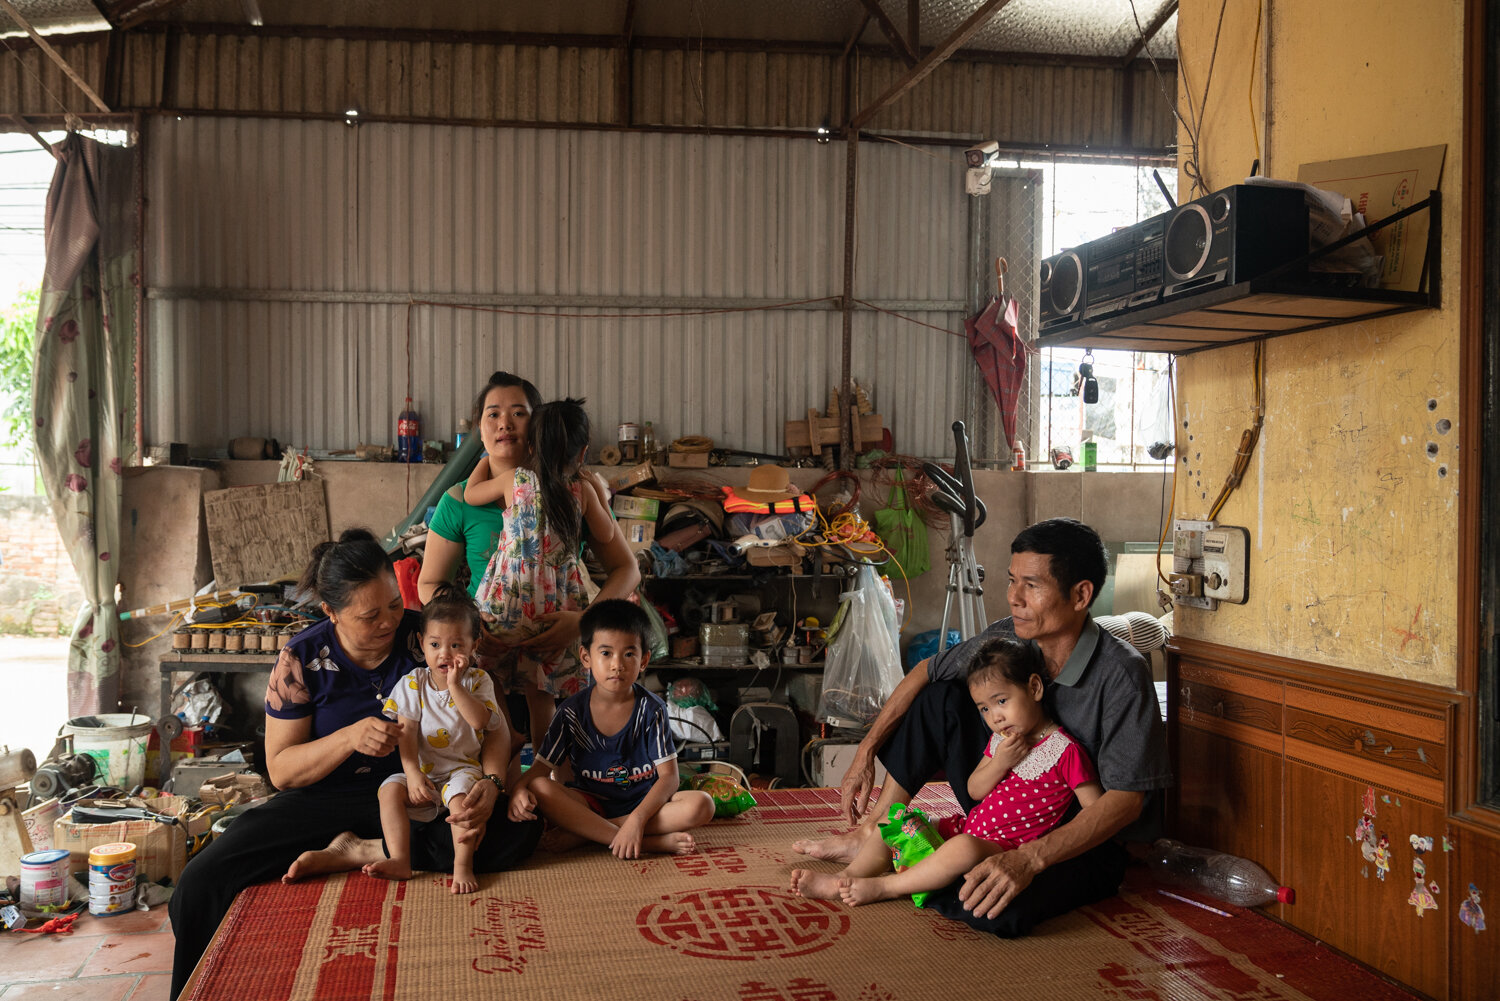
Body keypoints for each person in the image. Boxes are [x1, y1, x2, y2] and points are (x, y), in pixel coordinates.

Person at [168, 530, 541, 999]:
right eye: (370, 615)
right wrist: (347, 737)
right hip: (325, 798)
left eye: (392, 604)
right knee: (202, 881)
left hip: (420, 788)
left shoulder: (429, 636)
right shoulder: (300, 658)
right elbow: (281, 771)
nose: (389, 621)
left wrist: (491, 780)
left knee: (515, 831)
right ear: (332, 612)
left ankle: (366, 848)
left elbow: (492, 725)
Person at [792, 517, 1170, 936]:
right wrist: (864, 754)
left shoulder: (1121, 674)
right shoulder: (1010, 637)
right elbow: (924, 671)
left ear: (1080, 594)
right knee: (939, 696)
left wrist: (1028, 859)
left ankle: (917, 868)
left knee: (995, 911)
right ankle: (874, 831)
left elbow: (1124, 802)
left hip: (1075, 834)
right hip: (1000, 806)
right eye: (1012, 581)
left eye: (1032, 585)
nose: (1013, 598)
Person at [790, 636, 1102, 907]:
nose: (995, 717)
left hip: (1002, 849)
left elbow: (1094, 814)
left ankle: (884, 887)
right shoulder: (1000, 741)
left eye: (1002, 701)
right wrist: (1000, 763)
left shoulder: (1065, 751)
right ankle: (846, 878)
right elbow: (975, 790)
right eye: (984, 709)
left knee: (963, 849)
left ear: (1034, 688)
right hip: (970, 828)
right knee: (897, 820)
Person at [418, 372, 638, 745]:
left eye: (518, 413)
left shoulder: (574, 491)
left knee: (553, 730)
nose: (504, 423)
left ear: (538, 427)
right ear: (479, 429)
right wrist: (467, 631)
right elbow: (429, 584)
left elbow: (626, 569)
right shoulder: (458, 501)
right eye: (492, 414)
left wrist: (583, 623)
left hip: (557, 646)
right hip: (482, 656)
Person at [506, 599, 715, 857]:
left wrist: (637, 820)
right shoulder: (571, 712)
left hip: (644, 805)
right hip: (590, 805)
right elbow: (540, 770)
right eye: (606, 653)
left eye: (629, 654)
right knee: (539, 786)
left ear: (644, 659)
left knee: (702, 805)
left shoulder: (652, 709)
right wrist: (517, 789)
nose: (617, 664)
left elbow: (669, 778)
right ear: (586, 657)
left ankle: (587, 834)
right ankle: (647, 842)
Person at [467, 397, 615, 739]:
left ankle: (505, 735)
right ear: (583, 453)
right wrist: (599, 493)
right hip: (553, 609)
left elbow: (471, 494)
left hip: (507, 601)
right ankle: (544, 760)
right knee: (541, 690)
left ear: (530, 445)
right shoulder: (583, 489)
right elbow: (606, 533)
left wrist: (488, 457)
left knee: (488, 673)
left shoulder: (515, 480)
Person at [364, 584, 505, 894]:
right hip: (425, 774)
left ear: (473, 645)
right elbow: (407, 735)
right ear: (421, 643)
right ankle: (401, 858)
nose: (445, 654)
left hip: (462, 770)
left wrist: (455, 686)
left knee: (461, 803)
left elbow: (481, 721)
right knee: (388, 790)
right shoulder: (413, 683)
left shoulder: (478, 681)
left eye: (456, 644)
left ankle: (462, 865)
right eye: (436, 644)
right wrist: (412, 774)